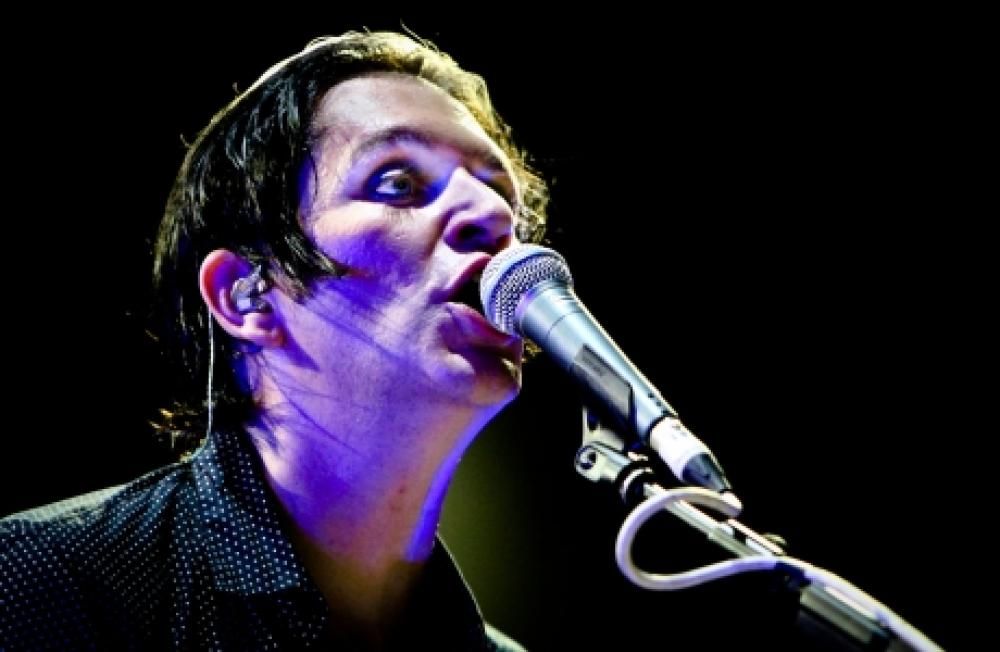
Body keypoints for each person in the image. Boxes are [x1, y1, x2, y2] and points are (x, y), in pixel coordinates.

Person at [0, 30, 548, 650]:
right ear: (245, 295)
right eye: (397, 182)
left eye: (500, 194)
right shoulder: (48, 582)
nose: (494, 216)